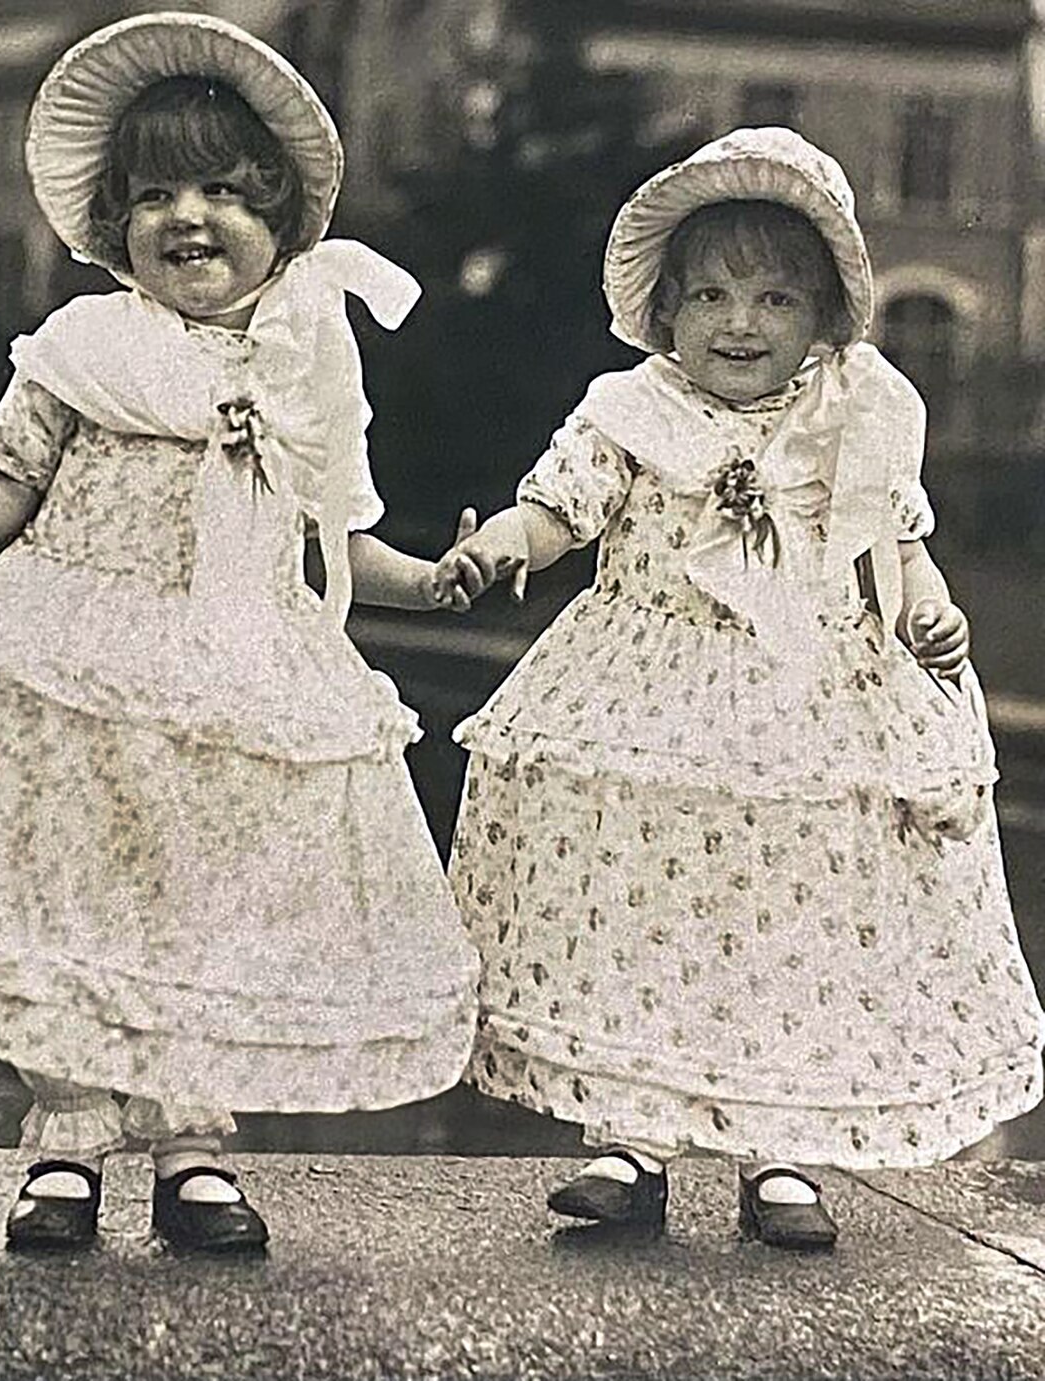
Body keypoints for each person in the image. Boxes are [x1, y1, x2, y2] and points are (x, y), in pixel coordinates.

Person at [0, 13, 480, 1254]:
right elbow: (0, 482)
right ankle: (65, 1128)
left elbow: (337, 534)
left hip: (236, 669)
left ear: (282, 216)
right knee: (68, 892)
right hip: (79, 648)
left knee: (201, 902)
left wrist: (430, 583)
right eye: (155, 195)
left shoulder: (308, 359)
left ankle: (191, 1144)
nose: (188, 217)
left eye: (223, 192)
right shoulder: (86, 345)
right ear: (115, 225)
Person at [433, 127, 1045, 1248]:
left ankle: (781, 1150)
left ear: (823, 319)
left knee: (792, 922)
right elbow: (561, 510)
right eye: (710, 296)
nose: (740, 323)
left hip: (808, 703)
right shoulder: (632, 411)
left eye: (774, 299)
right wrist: (503, 545)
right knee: (646, 908)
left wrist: (929, 610)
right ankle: (632, 1140)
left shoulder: (856, 416)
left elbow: (897, 542)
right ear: (665, 311)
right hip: (653, 695)